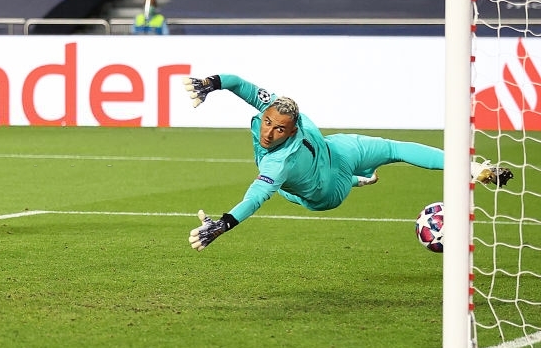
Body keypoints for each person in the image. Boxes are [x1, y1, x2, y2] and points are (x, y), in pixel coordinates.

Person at [182, 73, 515, 251]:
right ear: (265, 113)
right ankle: (363, 178)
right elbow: (241, 85)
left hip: (331, 184)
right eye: (267, 122)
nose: (269, 131)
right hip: (334, 150)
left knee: (284, 188)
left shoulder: (277, 164)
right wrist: (211, 84)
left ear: (292, 129)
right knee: (391, 150)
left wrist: (223, 223)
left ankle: (475, 169)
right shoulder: (273, 111)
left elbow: (255, 197)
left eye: (279, 128)